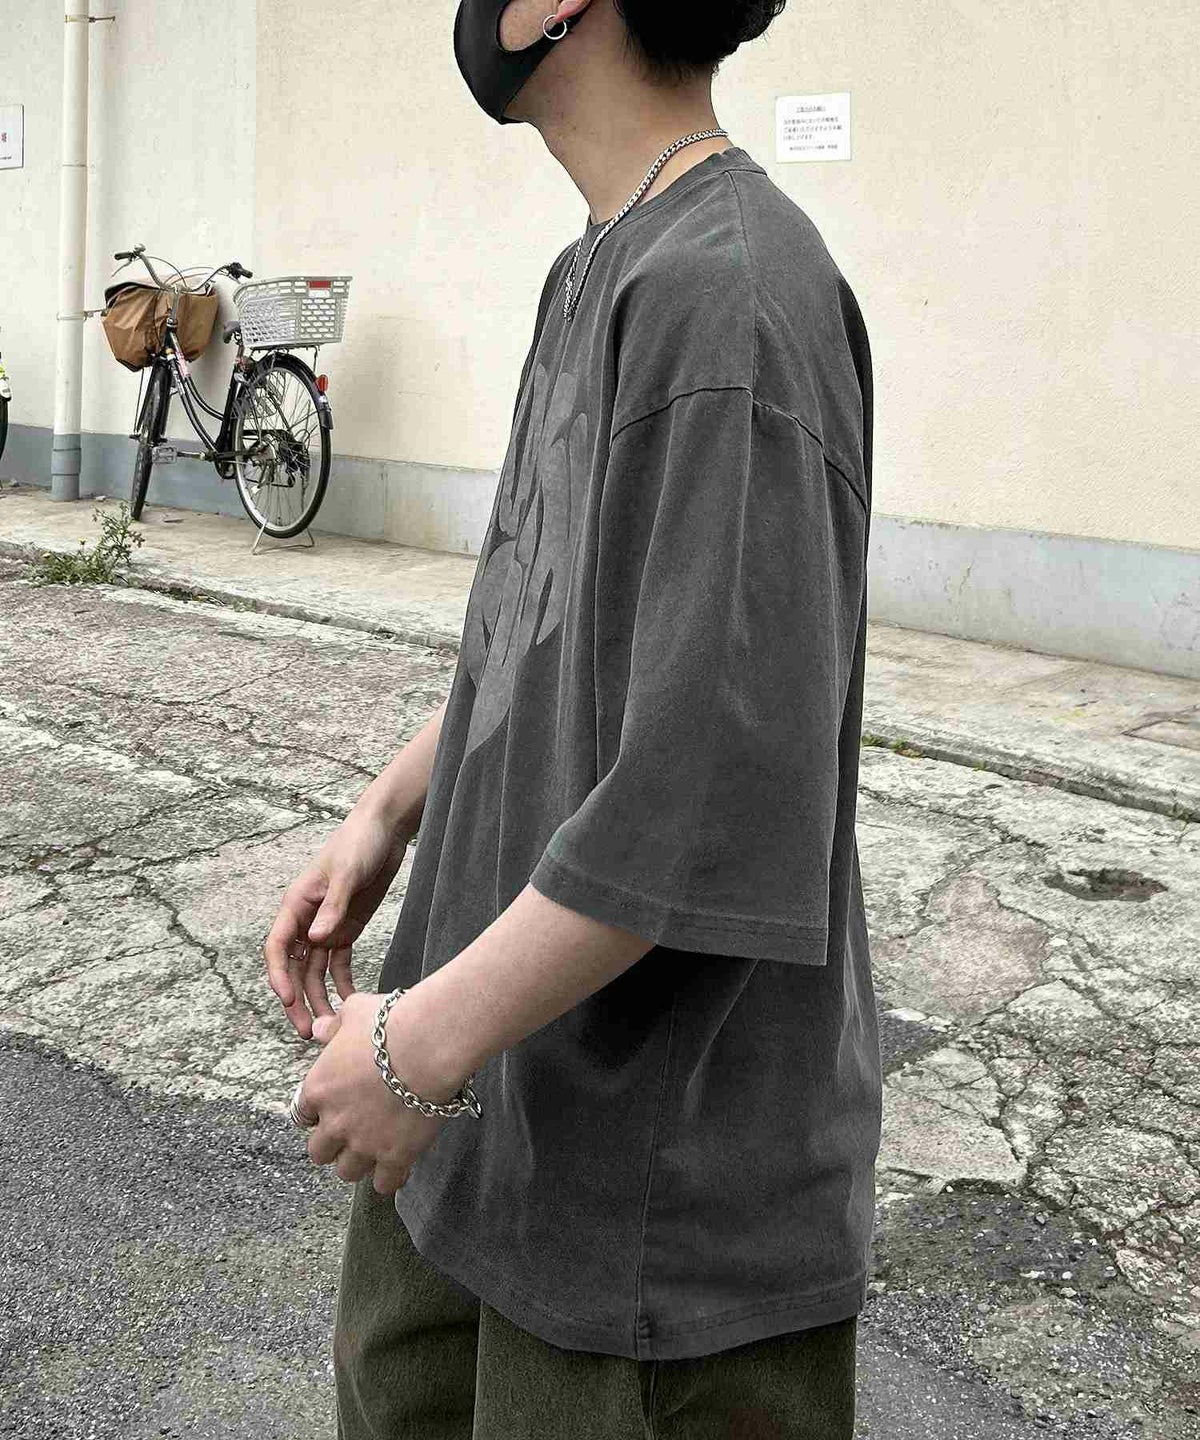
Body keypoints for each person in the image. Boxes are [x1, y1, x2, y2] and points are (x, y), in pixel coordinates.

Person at [264, 1, 880, 1435]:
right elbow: (549, 625)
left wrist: (416, 1050)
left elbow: (711, 796)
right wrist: (390, 811)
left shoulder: (733, 301)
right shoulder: (603, 262)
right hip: (492, 1125)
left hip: (645, 1211)